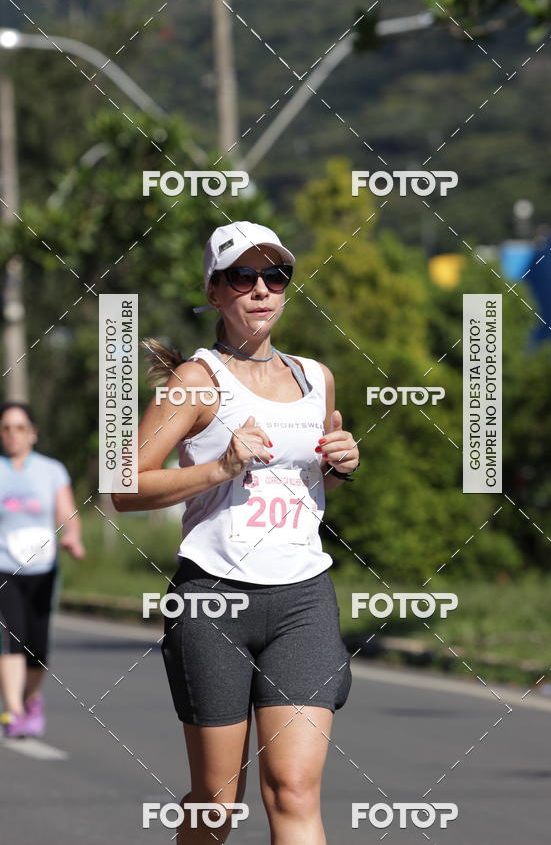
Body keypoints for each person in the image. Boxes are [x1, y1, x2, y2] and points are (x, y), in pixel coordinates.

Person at [113, 220, 360, 844]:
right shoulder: (196, 383)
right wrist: (222, 466)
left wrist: (342, 464)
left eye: (274, 276)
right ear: (215, 291)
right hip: (214, 598)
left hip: (303, 598)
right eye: (242, 277)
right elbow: (123, 488)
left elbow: (310, 480)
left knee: (294, 790)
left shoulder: (315, 377)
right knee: (218, 805)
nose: (261, 290)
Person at [0, 402, 85, 738]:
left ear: (33, 433)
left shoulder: (51, 470)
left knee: (37, 646)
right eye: (6, 427)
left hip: (43, 567)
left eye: (20, 427)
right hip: (3, 568)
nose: (12, 434)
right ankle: (15, 712)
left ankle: (30, 698)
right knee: (10, 639)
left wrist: (73, 538)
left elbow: (67, 513)